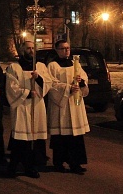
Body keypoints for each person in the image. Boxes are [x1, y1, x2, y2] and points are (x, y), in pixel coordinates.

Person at [5, 40, 53, 178]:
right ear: (22, 50)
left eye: (33, 48)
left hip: (37, 106)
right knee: (20, 138)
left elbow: (48, 83)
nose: (31, 51)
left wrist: (38, 78)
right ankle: (13, 165)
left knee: (33, 139)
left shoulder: (40, 66)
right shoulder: (14, 67)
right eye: (28, 48)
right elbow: (11, 87)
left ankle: (30, 166)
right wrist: (26, 93)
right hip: (21, 106)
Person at [47, 39, 90, 175]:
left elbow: (84, 77)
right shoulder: (53, 66)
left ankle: (75, 163)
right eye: (63, 48)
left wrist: (82, 82)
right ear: (57, 50)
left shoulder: (74, 64)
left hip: (75, 104)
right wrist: (67, 89)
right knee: (61, 137)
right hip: (62, 106)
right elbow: (51, 84)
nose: (66, 51)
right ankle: (58, 163)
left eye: (68, 48)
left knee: (75, 137)